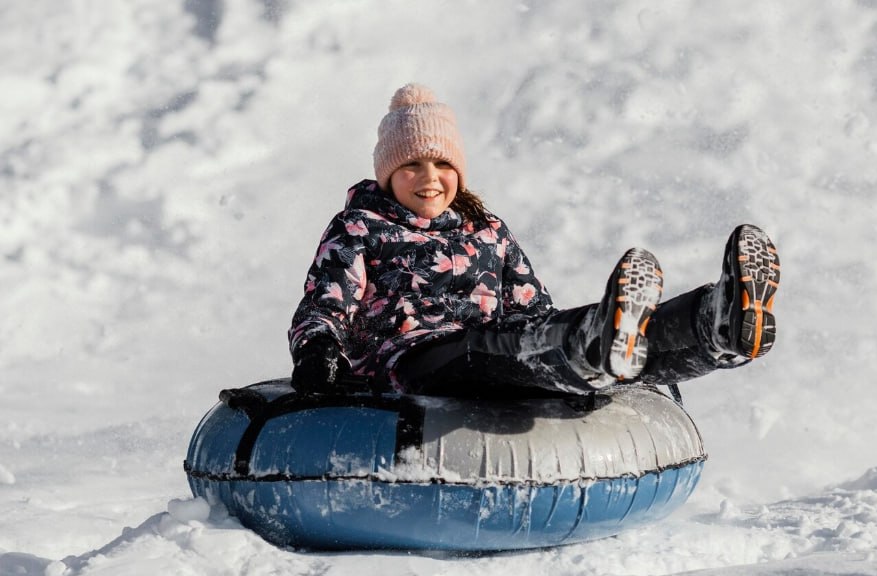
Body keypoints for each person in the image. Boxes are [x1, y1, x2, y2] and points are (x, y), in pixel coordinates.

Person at [289, 84, 780, 398]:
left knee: (547, 333)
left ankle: (713, 327)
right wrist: (317, 351)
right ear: (388, 174)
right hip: (411, 360)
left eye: (443, 165)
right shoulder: (360, 227)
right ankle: (594, 347)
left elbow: (531, 308)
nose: (429, 178)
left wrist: (555, 328)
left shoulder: (488, 231)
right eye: (411, 165)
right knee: (493, 349)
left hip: (494, 349)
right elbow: (325, 304)